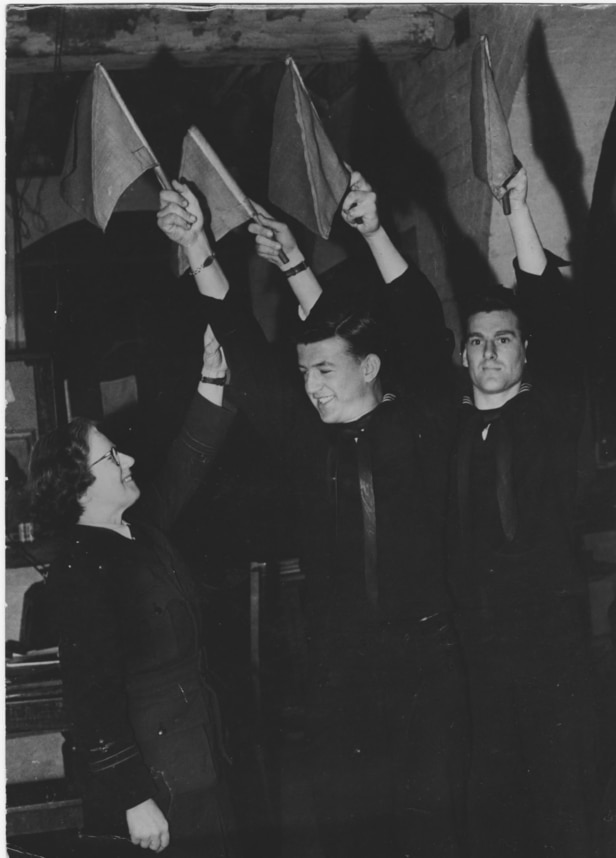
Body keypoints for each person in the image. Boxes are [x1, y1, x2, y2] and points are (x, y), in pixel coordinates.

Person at [157, 173, 468, 858]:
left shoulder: (424, 422)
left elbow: (418, 319)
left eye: (326, 370)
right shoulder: (305, 442)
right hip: (338, 667)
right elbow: (238, 338)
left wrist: (371, 230)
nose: (312, 386)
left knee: (432, 827)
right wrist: (199, 242)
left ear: (372, 367)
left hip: (425, 660)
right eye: (304, 374)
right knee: (350, 825)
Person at [29, 311, 239, 856]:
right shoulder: (79, 571)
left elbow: (186, 465)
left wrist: (211, 378)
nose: (128, 458)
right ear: (78, 488)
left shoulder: (137, 532)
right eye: (110, 456)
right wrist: (133, 797)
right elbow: (91, 696)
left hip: (198, 752)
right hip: (158, 781)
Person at [447, 166, 597, 857]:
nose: (488, 351)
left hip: (550, 642)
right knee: (490, 803)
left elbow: (559, 321)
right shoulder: (446, 433)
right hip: (476, 647)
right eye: (476, 340)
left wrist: (517, 215)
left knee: (561, 796)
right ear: (462, 353)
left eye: (503, 338)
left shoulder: (551, 417)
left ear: (524, 350)